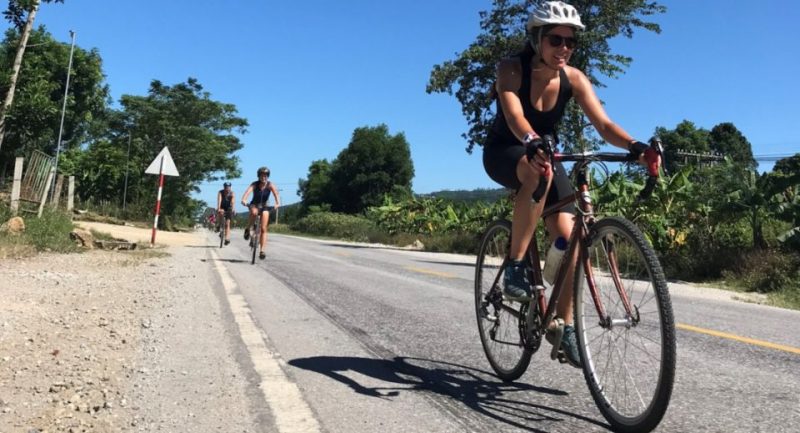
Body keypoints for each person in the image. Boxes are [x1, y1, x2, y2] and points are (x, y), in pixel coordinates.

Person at [482, 1, 660, 368]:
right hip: (507, 150)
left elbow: (604, 125)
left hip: (544, 153)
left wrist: (636, 147)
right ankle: (516, 264)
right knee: (537, 172)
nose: (564, 48)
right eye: (555, 40)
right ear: (536, 39)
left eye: (571, 42)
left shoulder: (574, 78)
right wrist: (531, 140)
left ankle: (565, 327)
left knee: (571, 239)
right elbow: (515, 116)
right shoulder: (510, 70)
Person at [240, 166, 280, 260]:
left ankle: (262, 251)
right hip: (254, 205)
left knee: (263, 228)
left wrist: (277, 203)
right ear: (259, 176)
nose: (264, 177)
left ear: (268, 176)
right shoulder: (254, 184)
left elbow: (276, 194)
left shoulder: (270, 185)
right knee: (254, 212)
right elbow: (246, 193)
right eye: (262, 175)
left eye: (266, 175)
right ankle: (248, 228)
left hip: (265, 205)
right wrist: (244, 200)